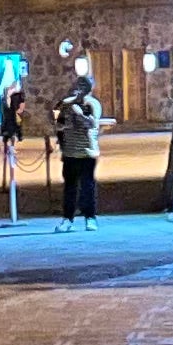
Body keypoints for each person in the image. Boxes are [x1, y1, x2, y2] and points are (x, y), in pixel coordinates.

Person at [55, 65, 102, 226]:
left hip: (87, 152)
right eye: (79, 85)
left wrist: (79, 113)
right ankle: (68, 218)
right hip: (70, 152)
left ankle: (90, 217)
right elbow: (58, 123)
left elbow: (91, 124)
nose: (80, 89)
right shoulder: (66, 105)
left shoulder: (93, 104)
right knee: (70, 187)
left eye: (84, 86)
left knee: (87, 186)